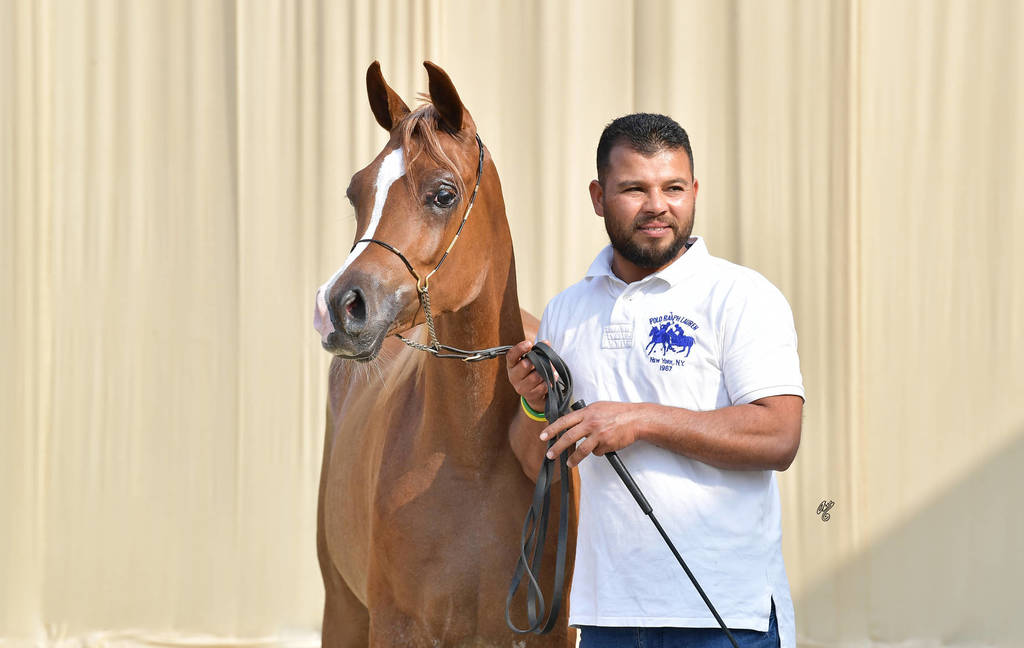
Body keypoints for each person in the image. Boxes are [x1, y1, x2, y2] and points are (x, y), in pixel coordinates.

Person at [505, 113, 804, 648]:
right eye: (633, 189)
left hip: (726, 615)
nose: (657, 206)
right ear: (598, 197)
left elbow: (779, 436)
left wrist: (639, 420)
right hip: (605, 616)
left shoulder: (741, 296)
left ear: (695, 190)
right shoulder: (567, 312)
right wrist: (532, 405)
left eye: (673, 187)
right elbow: (537, 463)